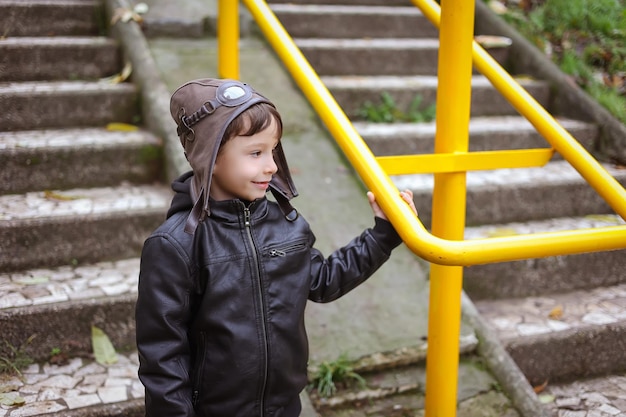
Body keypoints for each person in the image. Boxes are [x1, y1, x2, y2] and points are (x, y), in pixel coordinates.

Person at [135, 78, 417, 417]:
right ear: (209, 157)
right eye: (255, 153)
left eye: (273, 150)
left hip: (284, 406)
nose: (271, 165)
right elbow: (163, 353)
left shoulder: (287, 224)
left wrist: (384, 233)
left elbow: (323, 281)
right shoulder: (175, 244)